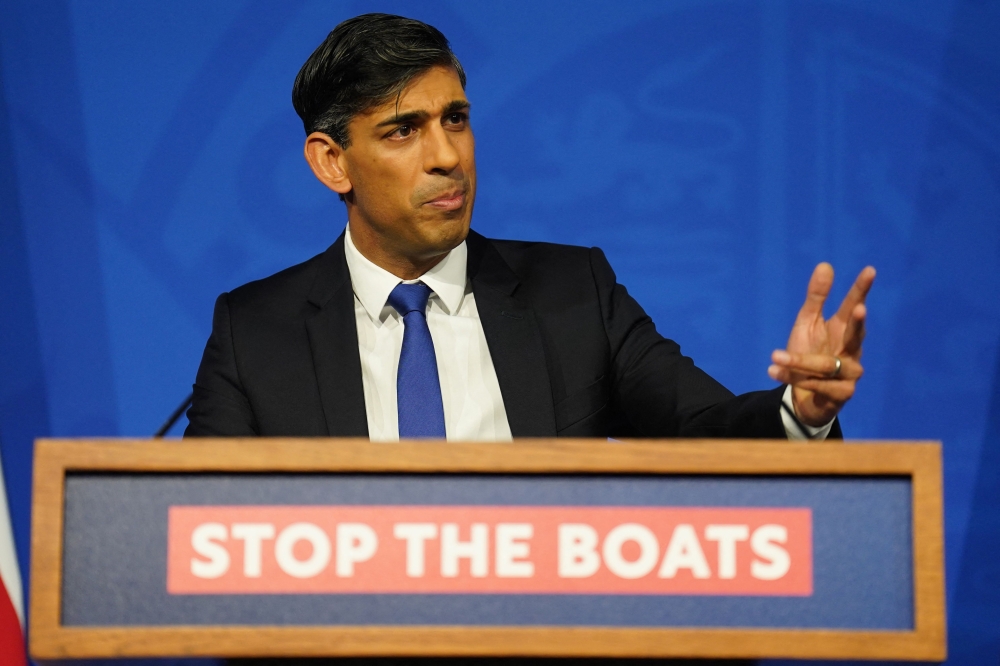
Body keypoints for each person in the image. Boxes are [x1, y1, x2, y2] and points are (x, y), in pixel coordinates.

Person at [184, 13, 874, 441]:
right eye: (404, 131)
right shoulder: (255, 332)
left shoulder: (573, 294)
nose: (449, 156)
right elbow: (199, 530)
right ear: (333, 163)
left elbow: (702, 429)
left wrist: (800, 411)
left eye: (455, 118)